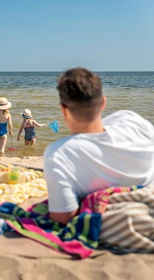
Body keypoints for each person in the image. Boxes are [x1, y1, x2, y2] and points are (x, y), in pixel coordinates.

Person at [44, 67, 154, 225]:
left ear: (63, 109)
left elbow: (63, 217)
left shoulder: (59, 154)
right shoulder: (131, 120)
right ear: (103, 102)